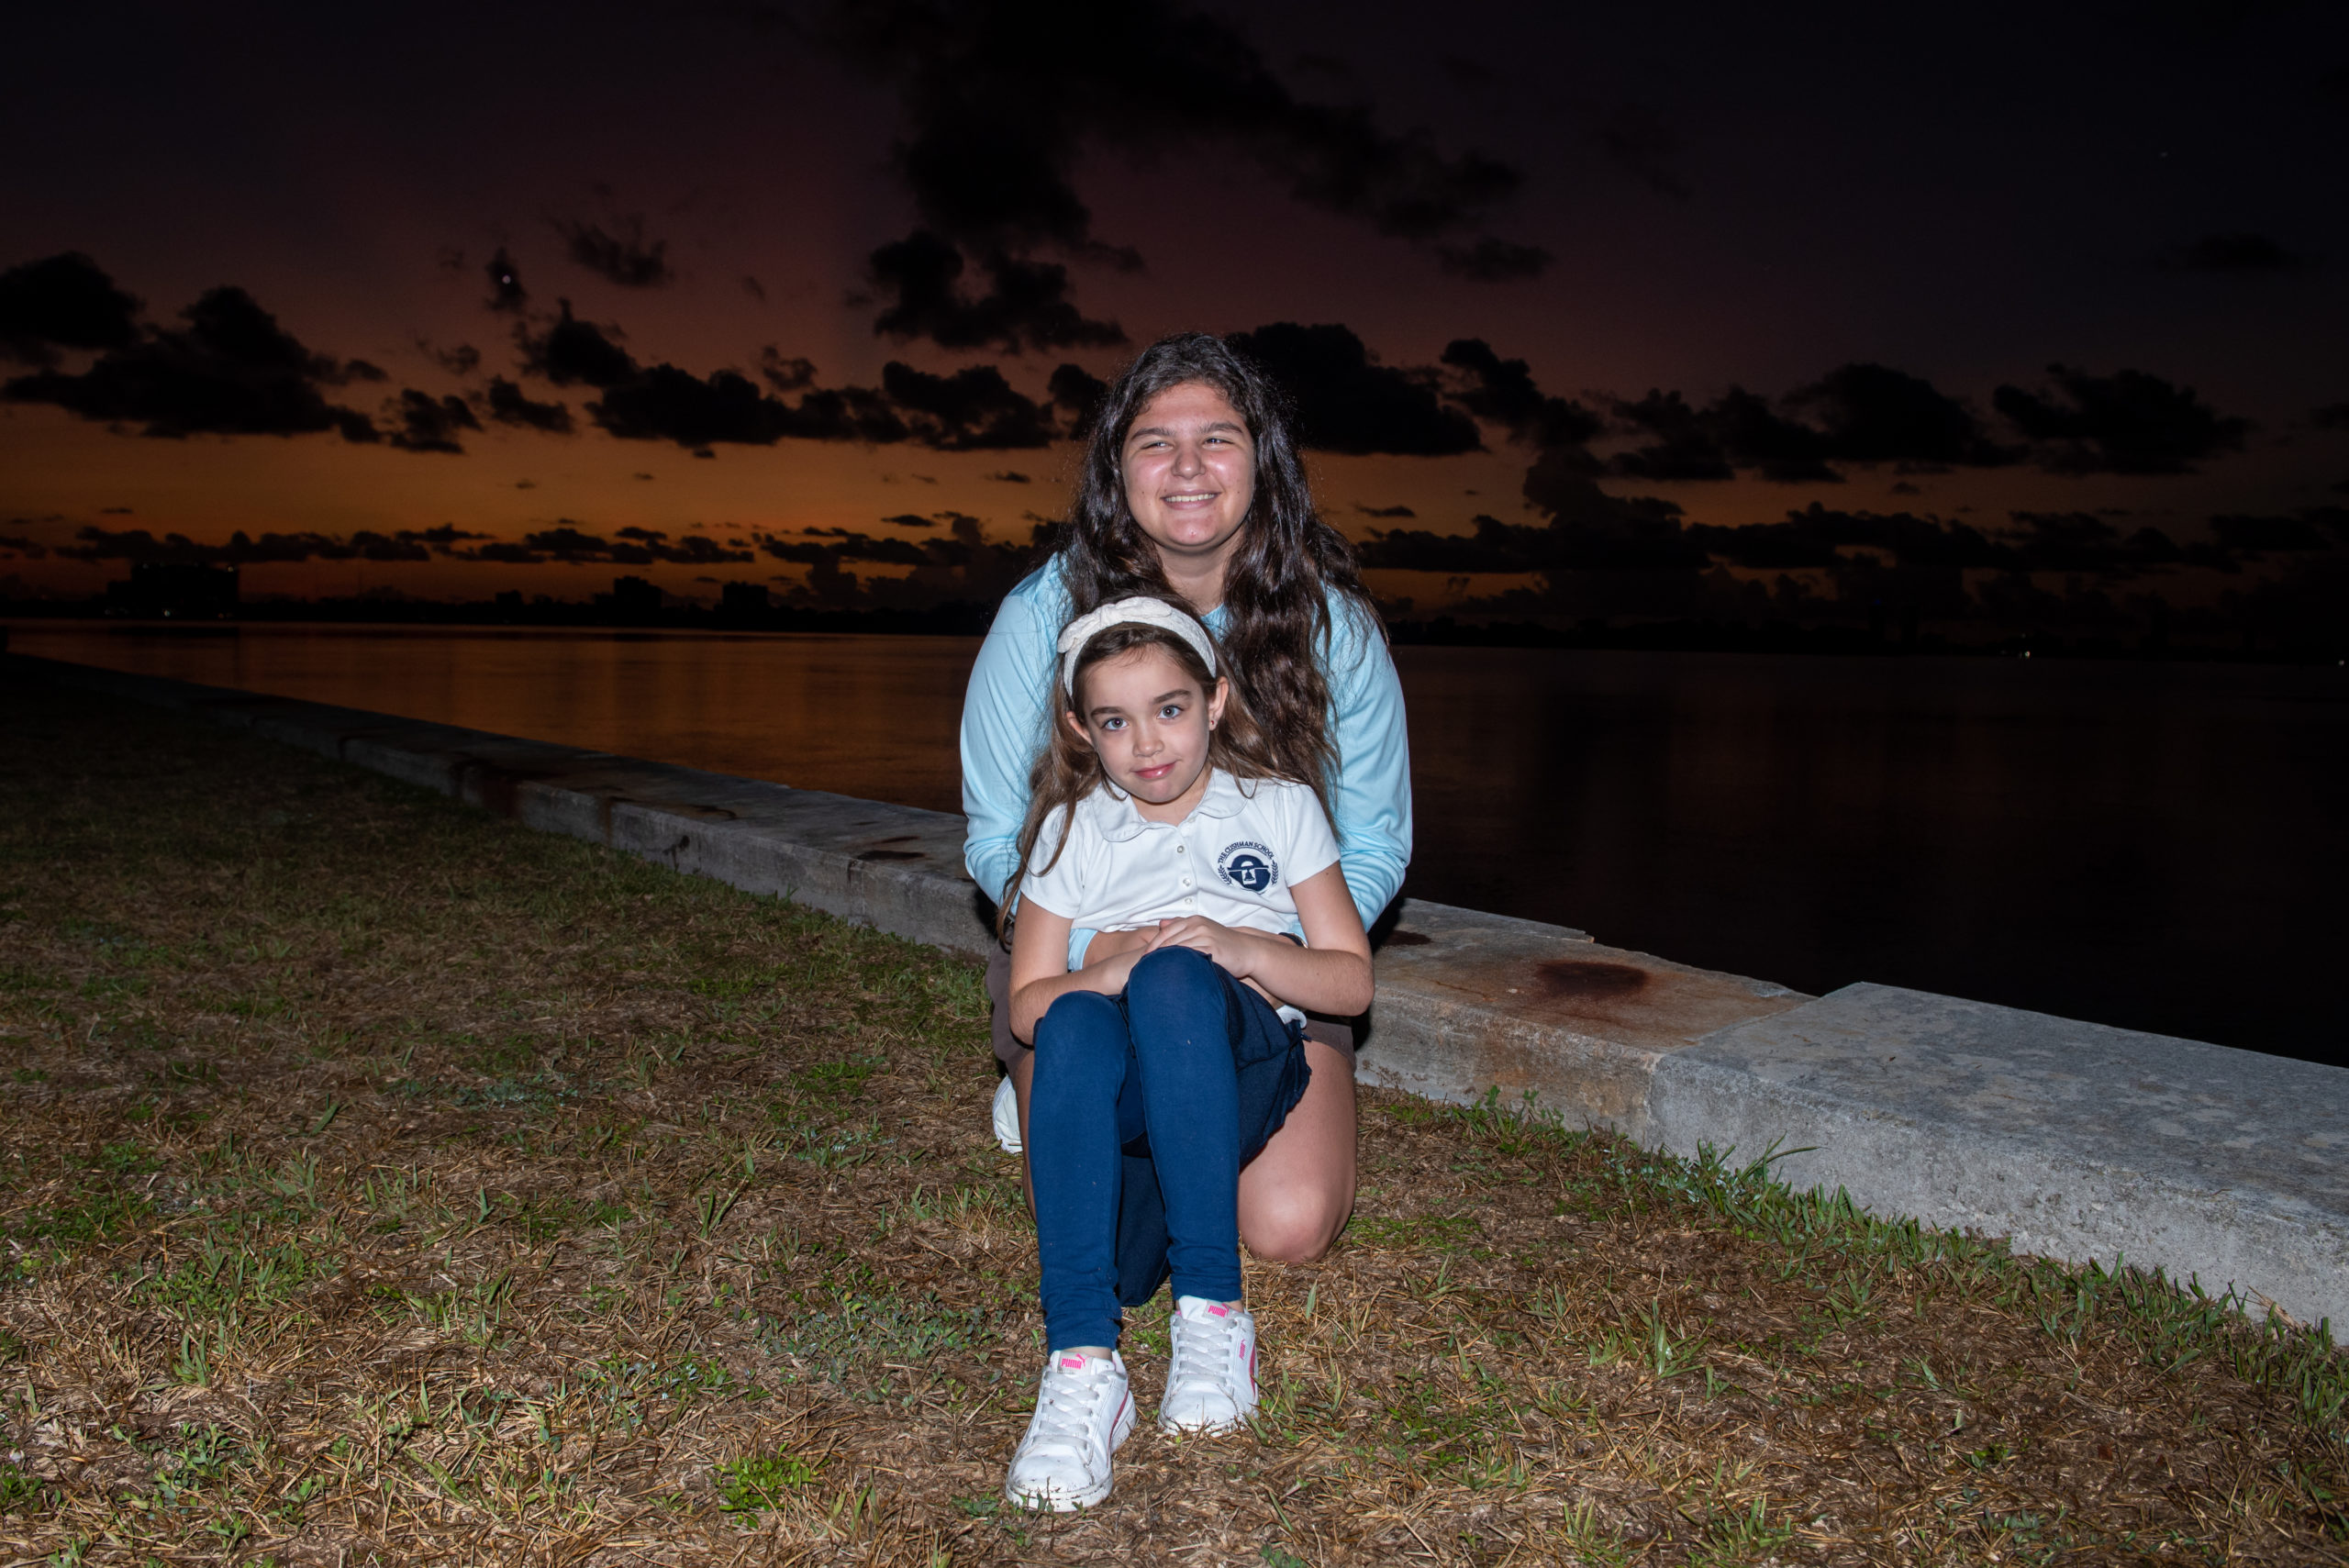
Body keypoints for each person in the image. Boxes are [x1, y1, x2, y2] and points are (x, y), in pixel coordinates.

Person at [960, 330, 1412, 1268]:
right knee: (1096, 1227)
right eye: (1155, 442)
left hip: (1265, 960)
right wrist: (1092, 946)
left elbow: (1373, 839)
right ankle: (1049, 1061)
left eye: (1218, 438)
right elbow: (997, 832)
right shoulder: (1039, 615)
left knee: (1289, 1227)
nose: (1189, 467)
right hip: (1086, 956)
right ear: (1115, 470)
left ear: (1263, 460)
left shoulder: (1333, 624)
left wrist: (1275, 948)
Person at [998, 595, 1375, 1508]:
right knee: (1078, 1020)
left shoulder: (1277, 806)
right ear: (1081, 730)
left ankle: (1212, 1312)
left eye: (1169, 708)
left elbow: (1350, 981)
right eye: (1114, 721)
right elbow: (1027, 1005)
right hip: (1131, 1070)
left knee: (1175, 977)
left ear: (1214, 700)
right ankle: (1084, 1361)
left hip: (1244, 1056)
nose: (1147, 742)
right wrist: (1108, 965)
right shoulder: (1071, 828)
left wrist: (1242, 948)